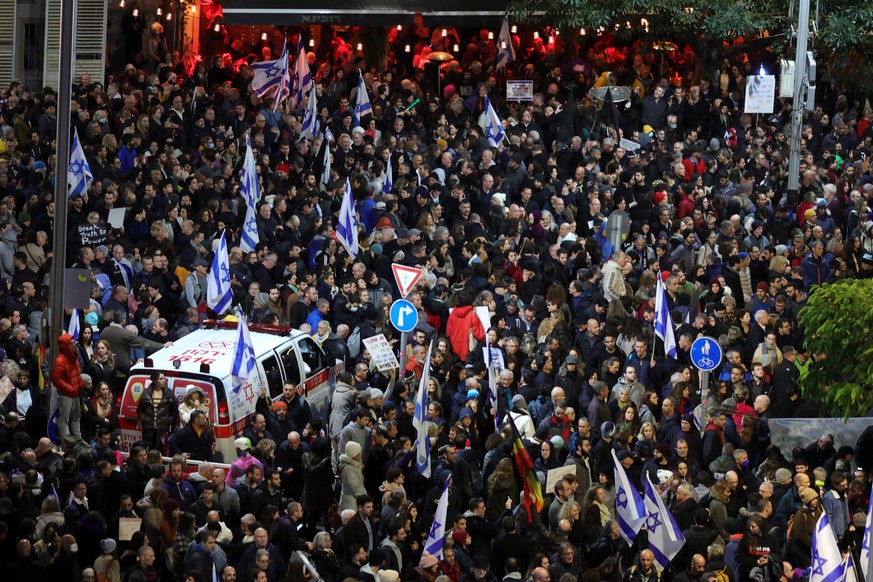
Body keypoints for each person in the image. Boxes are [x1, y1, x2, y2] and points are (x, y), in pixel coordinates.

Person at [52, 333, 84, 442]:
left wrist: (79, 387)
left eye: (74, 342)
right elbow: (56, 379)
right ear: (64, 346)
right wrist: (69, 388)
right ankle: (67, 442)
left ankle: (78, 440)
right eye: (71, 343)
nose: (74, 345)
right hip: (66, 394)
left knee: (76, 417)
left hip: (76, 393)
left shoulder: (73, 357)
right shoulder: (60, 360)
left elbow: (77, 373)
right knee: (64, 419)